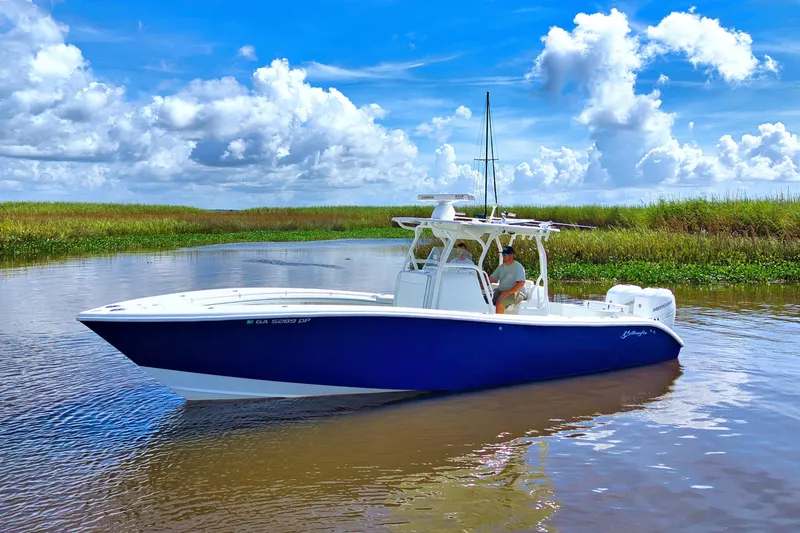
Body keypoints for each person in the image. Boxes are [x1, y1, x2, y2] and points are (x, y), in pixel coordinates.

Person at [488, 245, 527, 314]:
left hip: (516, 292)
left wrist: (508, 292)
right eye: (503, 254)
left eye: (505, 254)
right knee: (486, 299)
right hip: (501, 291)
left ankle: (498, 323)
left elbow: (521, 283)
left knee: (500, 302)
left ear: (511, 255)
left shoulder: (518, 266)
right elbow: (491, 279)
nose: (503, 256)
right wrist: (480, 287)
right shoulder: (501, 267)